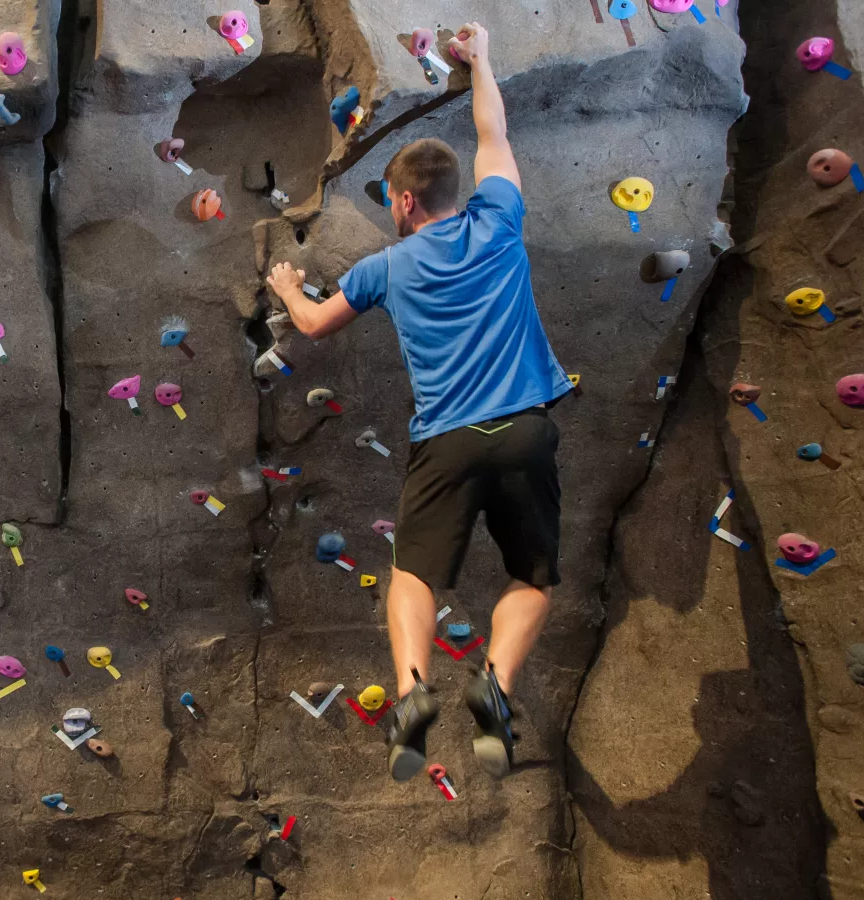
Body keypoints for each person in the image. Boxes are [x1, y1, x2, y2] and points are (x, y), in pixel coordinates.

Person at [265, 23, 570, 782]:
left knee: (413, 577)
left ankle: (411, 692)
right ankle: (494, 686)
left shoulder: (385, 268)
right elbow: (491, 129)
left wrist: (285, 287)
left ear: (403, 201)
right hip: (527, 429)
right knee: (532, 581)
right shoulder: (500, 221)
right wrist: (483, 59)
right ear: (451, 192)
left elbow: (311, 326)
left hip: (448, 443)